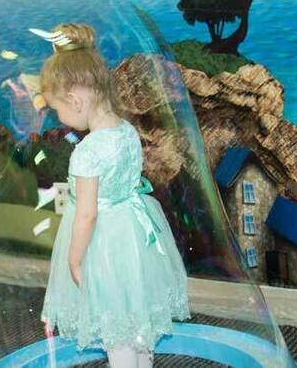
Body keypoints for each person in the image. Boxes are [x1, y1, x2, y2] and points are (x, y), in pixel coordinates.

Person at [40, 24, 190, 368]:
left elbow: (87, 214)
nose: (59, 118)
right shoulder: (127, 131)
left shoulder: (87, 152)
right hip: (134, 235)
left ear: (75, 100)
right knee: (135, 311)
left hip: (102, 244)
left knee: (114, 322)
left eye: (57, 109)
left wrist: (75, 258)